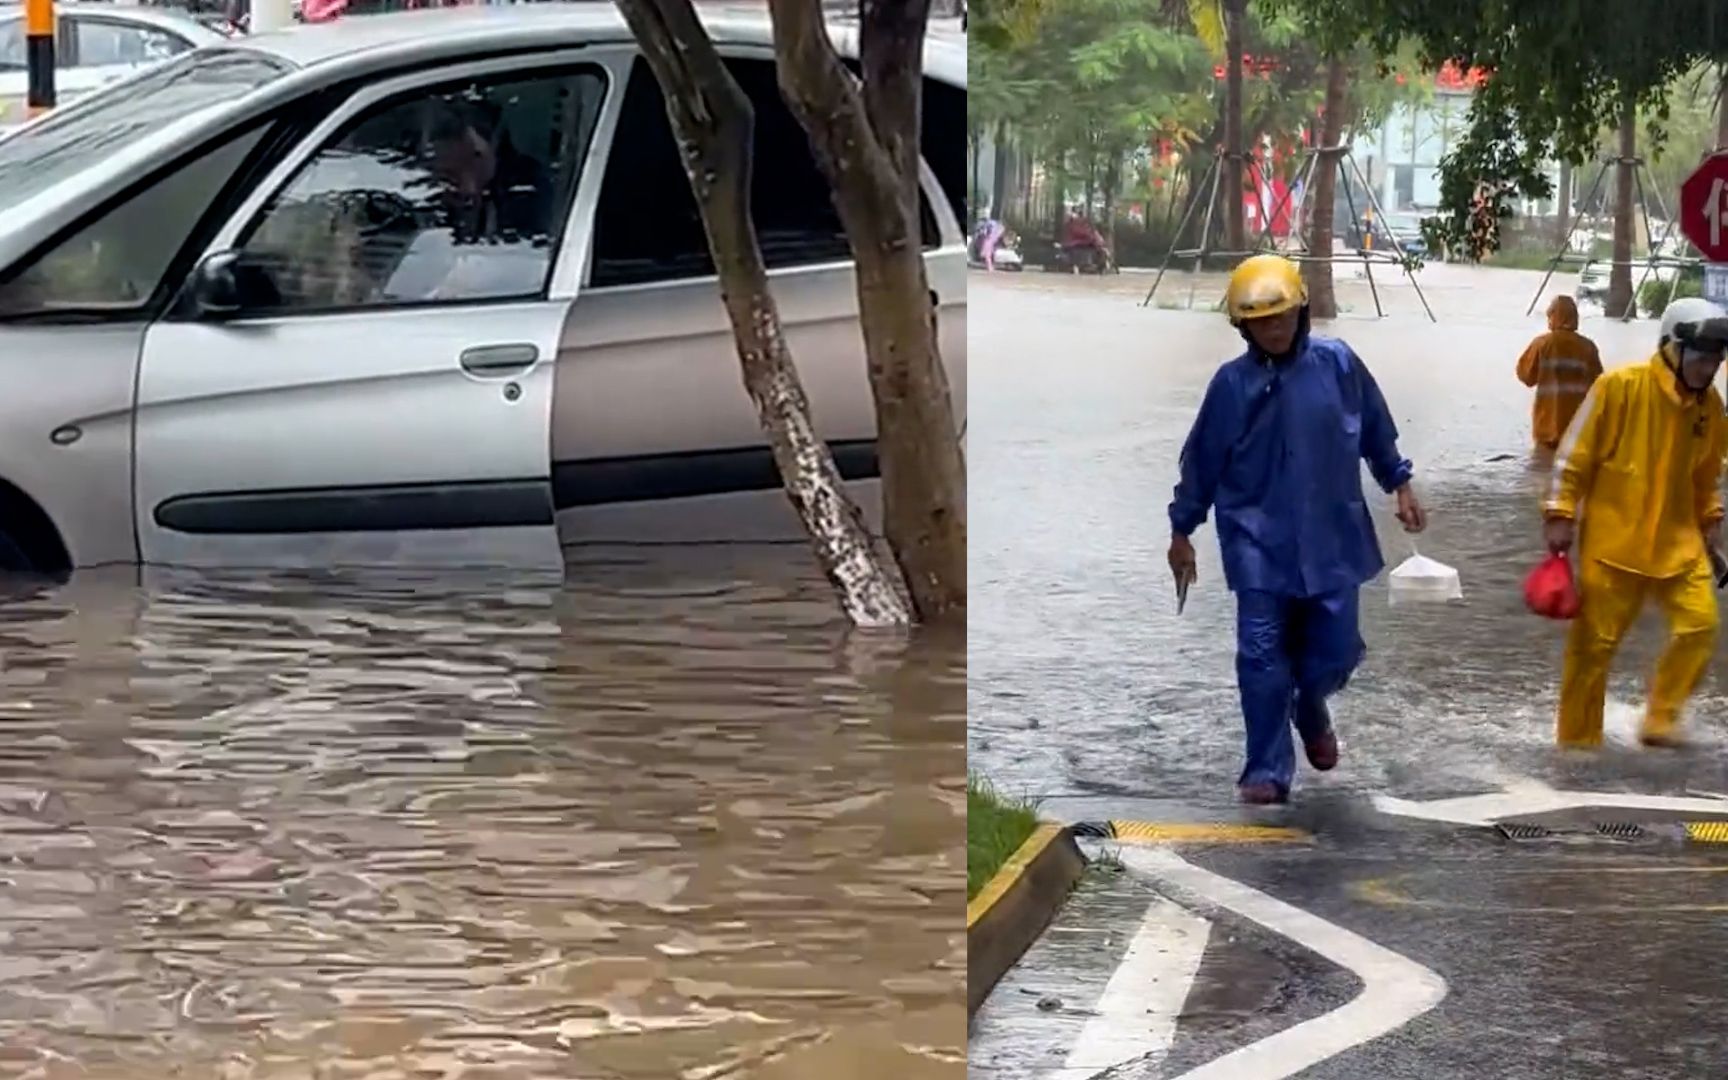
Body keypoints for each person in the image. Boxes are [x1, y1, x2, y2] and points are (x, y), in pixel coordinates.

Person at [1168, 254, 1426, 805]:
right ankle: (1265, 768)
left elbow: (1375, 429)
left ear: (1302, 313)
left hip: (1334, 538)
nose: (1275, 328)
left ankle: (1309, 705)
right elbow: (1202, 463)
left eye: (1283, 317)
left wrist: (1399, 484)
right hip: (1257, 544)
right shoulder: (1230, 387)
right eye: (1262, 321)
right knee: (1261, 656)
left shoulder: (1338, 364)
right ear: (1244, 328)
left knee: (1334, 653)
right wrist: (1182, 528)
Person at [1542, 297, 1728, 749]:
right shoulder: (1618, 387)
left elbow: (1708, 475)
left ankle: (1660, 720)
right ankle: (1577, 745)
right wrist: (1560, 511)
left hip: (1678, 545)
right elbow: (1574, 454)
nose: (1710, 368)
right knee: (1593, 650)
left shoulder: (1710, 408)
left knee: (1700, 626)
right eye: (1702, 357)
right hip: (1613, 546)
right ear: (1672, 348)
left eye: (1717, 359)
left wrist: (1711, 528)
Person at [1516, 295, 1603, 452]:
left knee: (1544, 469)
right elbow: (1599, 386)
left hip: (1546, 426)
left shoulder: (1542, 344)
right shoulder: (1588, 347)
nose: (1548, 319)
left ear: (1555, 316)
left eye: (1550, 315)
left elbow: (1525, 377)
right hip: (1579, 427)